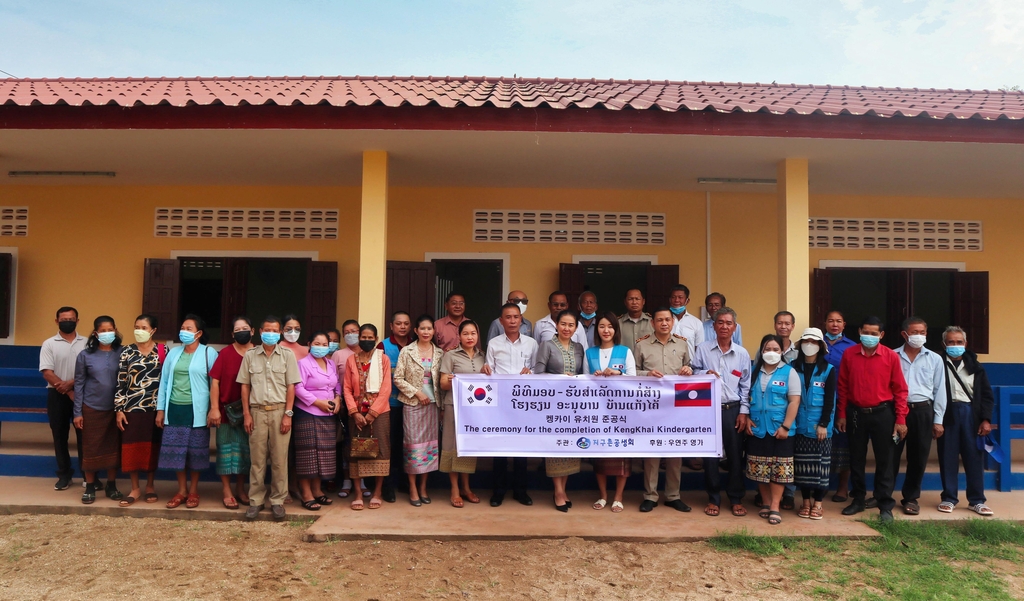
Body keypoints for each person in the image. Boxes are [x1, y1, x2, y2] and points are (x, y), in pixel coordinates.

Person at [836, 316, 909, 524]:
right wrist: (841, 413)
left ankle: (885, 504)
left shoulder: (890, 357)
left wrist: (900, 418)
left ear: (881, 335)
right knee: (856, 459)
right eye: (865, 332)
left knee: (885, 461)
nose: (869, 336)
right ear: (859, 331)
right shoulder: (849, 354)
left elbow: (901, 390)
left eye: (873, 333)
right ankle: (858, 499)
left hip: (883, 413)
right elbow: (842, 387)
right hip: (856, 413)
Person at [239, 315, 302, 521]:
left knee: (279, 460)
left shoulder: (287, 355)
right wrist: (247, 414)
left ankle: (277, 501)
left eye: (275, 331)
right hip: (256, 412)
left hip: (280, 411)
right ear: (259, 331)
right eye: (268, 330)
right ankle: (255, 501)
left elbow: (292, 386)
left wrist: (288, 415)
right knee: (257, 460)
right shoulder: (250, 355)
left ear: (281, 332)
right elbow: (245, 386)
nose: (271, 334)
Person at [690, 307, 750, 518]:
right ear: (713, 326)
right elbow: (693, 371)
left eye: (728, 323)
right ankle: (713, 498)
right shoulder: (703, 349)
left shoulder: (742, 353)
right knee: (710, 457)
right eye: (720, 322)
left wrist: (743, 412)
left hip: (733, 410)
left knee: (735, 455)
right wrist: (704, 373)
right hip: (708, 409)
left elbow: (745, 386)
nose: (724, 326)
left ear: (735, 327)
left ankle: (735, 498)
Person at [156, 314, 219, 510]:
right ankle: (181, 490)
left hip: (197, 411)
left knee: (196, 452)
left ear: (199, 333)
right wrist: (160, 410)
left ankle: (193, 490)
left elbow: (214, 385)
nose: (184, 331)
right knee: (177, 452)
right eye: (183, 327)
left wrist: (213, 409)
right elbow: (164, 382)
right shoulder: (173, 353)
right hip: (174, 409)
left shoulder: (209, 353)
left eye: (189, 328)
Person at [634, 307, 693, 513]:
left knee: (674, 451)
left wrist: (689, 370)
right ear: (653, 323)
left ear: (672, 322)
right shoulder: (642, 345)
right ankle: (650, 495)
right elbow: (632, 374)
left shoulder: (683, 343)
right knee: (652, 451)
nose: (664, 323)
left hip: (676, 407)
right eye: (660, 320)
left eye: (668, 319)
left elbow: (691, 369)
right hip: (651, 406)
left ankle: (673, 495)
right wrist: (646, 374)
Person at [886, 317, 946, 515]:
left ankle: (911, 498)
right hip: (896, 411)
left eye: (922, 332)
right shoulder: (892, 356)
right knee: (890, 455)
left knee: (918, 456)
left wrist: (938, 420)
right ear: (904, 334)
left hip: (922, 411)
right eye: (914, 332)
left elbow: (940, 390)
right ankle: (884, 495)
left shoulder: (935, 359)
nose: (919, 336)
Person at [483, 303, 539, 506]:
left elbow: (537, 369)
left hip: (524, 404)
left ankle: (520, 491)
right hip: (501, 403)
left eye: (516, 317)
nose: (513, 321)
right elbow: (489, 371)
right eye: (508, 317)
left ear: (521, 320)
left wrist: (530, 372)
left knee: (521, 449)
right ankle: (498, 492)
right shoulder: (494, 344)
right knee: (499, 448)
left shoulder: (532, 344)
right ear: (501, 321)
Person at [937, 326, 994, 516]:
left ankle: (977, 500)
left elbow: (986, 395)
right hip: (947, 413)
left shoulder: (975, 366)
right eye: (951, 342)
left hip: (971, 413)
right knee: (947, 456)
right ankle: (949, 498)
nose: (955, 345)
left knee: (974, 457)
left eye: (959, 342)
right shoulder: (937, 363)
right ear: (944, 344)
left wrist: (985, 419)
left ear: (965, 344)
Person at [745, 334, 801, 525]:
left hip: (780, 429)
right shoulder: (753, 372)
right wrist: (746, 418)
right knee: (760, 467)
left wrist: (786, 426)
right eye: (767, 349)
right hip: (757, 428)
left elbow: (794, 401)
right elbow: (744, 397)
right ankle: (766, 503)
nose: (771, 353)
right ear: (761, 351)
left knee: (778, 469)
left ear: (781, 352)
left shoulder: (789, 372)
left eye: (776, 350)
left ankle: (776, 506)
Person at [534, 309, 586, 511]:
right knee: (555, 446)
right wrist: (559, 379)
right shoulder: (546, 345)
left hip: (574, 406)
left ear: (576, 328)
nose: (567, 328)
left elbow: (583, 375)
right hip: (553, 404)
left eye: (571, 325)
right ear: (556, 325)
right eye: (563, 324)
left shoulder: (579, 347)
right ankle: (557, 491)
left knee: (570, 446)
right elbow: (538, 374)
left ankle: (564, 488)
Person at [585, 312, 636, 514]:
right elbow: (583, 381)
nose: (606, 330)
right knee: (601, 453)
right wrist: (593, 376)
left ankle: (618, 496)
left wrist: (618, 373)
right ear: (597, 330)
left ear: (616, 330)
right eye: (602, 326)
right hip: (598, 411)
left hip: (621, 411)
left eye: (610, 327)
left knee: (621, 453)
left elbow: (634, 379)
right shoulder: (590, 352)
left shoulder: (625, 351)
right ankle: (604, 495)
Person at [114, 314, 165, 506]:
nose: (139, 331)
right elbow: (120, 382)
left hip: (154, 408)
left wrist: (163, 409)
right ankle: (135, 488)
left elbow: (166, 381)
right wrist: (119, 409)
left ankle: (150, 486)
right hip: (131, 408)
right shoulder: (127, 351)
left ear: (153, 330)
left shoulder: (163, 350)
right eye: (136, 326)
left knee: (152, 447)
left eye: (144, 327)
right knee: (131, 448)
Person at [72, 316, 124, 504]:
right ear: (95, 333)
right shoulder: (85, 355)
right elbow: (78, 385)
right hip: (91, 408)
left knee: (113, 447)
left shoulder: (123, 353)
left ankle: (111, 484)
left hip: (116, 409)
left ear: (116, 330)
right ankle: (90, 486)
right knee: (91, 448)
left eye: (110, 329)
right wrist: (77, 412)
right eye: (102, 330)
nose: (107, 333)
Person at [393, 315, 443, 506]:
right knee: (413, 447)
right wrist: (417, 393)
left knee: (429, 447)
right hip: (413, 405)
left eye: (429, 329)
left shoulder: (439, 353)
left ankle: (423, 487)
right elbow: (398, 379)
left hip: (433, 405)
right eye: (422, 328)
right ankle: (412, 488)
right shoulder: (407, 351)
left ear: (433, 331)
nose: (426, 332)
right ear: (416, 331)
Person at [342, 324, 393, 510]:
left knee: (381, 451)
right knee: (355, 451)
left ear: (376, 339)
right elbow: (346, 388)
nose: (366, 340)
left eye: (370, 337)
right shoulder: (350, 360)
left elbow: (386, 388)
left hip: (380, 413)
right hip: (356, 413)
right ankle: (357, 493)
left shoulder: (383, 359)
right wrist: (354, 412)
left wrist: (373, 412)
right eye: (363, 336)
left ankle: (377, 492)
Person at [208, 316, 255, 510]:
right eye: (237, 329)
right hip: (227, 412)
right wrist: (214, 408)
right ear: (232, 334)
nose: (241, 332)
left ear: (252, 331)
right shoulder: (225, 354)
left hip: (251, 413)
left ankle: (241, 489)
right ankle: (226, 490)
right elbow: (215, 382)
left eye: (245, 328)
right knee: (226, 451)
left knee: (245, 452)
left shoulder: (259, 353)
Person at [293, 331, 342, 511]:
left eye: (324, 344)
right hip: (308, 413)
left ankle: (317, 489)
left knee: (322, 455)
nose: (321, 347)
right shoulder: (303, 364)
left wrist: (338, 399)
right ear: (309, 344)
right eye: (317, 343)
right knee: (308, 456)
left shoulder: (330, 363)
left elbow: (337, 385)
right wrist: (317, 402)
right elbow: (298, 387)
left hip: (327, 416)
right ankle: (306, 493)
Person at [39, 306, 87, 491]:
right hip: (57, 395)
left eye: (72, 318)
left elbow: (90, 369)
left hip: (82, 394)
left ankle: (87, 475)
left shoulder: (87, 342)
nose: (68, 321)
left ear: (77, 320)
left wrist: (73, 383)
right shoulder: (49, 343)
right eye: (64, 318)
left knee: (84, 436)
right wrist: (68, 390)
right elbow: (47, 372)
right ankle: (64, 475)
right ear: (56, 321)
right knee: (59, 436)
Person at [791, 328, 836, 520]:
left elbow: (830, 400)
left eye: (814, 342)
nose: (810, 345)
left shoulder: (828, 369)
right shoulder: (792, 367)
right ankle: (806, 501)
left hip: (821, 428)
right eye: (806, 341)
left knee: (820, 467)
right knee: (802, 468)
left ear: (820, 346)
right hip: (799, 425)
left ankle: (818, 503)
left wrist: (824, 423)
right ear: (801, 345)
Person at [439, 320, 484, 508]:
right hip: (453, 406)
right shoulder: (450, 355)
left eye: (473, 333)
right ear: (459, 336)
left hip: (474, 409)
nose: (470, 337)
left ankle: (466, 487)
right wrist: (450, 380)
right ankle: (455, 489)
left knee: (467, 446)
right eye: (466, 333)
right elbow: (442, 384)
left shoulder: (483, 356)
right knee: (452, 445)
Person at [377, 311, 414, 503]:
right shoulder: (382, 346)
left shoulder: (416, 345)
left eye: (406, 323)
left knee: (407, 444)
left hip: (411, 404)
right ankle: (388, 486)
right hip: (389, 405)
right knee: (389, 444)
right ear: (391, 326)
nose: (402, 326)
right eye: (398, 323)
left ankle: (405, 483)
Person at [823, 310, 856, 502]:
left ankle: (842, 488)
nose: (834, 324)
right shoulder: (817, 344)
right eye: (830, 321)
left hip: (844, 402)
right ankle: (821, 485)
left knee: (845, 445)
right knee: (822, 444)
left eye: (838, 321)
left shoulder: (852, 347)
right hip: (819, 403)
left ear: (844, 324)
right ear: (825, 323)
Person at [332, 319, 367, 499]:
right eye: (347, 331)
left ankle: (362, 481)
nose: (351, 334)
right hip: (346, 406)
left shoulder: (369, 353)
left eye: (354, 331)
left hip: (367, 406)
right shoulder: (338, 355)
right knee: (347, 444)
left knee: (364, 443)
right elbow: (334, 380)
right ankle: (347, 480)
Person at [668, 284, 704, 358]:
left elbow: (699, 349)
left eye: (680, 297)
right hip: (667, 366)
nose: (676, 300)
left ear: (687, 301)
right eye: (673, 297)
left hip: (689, 367)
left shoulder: (696, 323)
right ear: (669, 300)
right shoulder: (662, 321)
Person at [618, 289, 653, 356]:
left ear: (643, 301)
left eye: (637, 299)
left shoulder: (652, 322)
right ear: (625, 302)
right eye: (630, 299)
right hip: (624, 362)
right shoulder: (618, 323)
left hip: (647, 363)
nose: (634, 302)